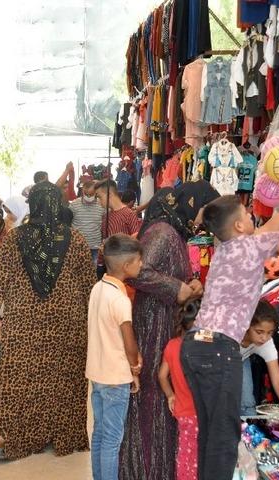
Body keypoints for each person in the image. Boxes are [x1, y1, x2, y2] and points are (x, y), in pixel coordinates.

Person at [181, 178, 279, 479]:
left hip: (195, 345)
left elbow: (270, 228)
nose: (252, 217)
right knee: (223, 437)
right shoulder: (251, 247)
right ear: (237, 227)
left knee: (211, 431)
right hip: (219, 350)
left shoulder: (227, 247)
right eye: (247, 215)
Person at [0, 181, 96, 461]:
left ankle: (20, 437)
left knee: (23, 380)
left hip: (23, 321)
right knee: (63, 380)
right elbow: (89, 286)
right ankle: (63, 436)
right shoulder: (76, 239)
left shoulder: (14, 237)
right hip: (68, 323)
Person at [119, 181, 216, 480]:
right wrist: (178, 289)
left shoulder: (171, 231)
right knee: (152, 396)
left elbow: (164, 271)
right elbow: (136, 272)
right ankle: (146, 468)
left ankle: (159, 465)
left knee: (160, 399)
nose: (202, 220)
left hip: (162, 319)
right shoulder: (163, 232)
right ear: (191, 203)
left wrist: (191, 285)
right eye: (203, 211)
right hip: (152, 323)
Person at [86, 234, 143, 480]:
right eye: (139, 261)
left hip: (97, 374)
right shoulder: (120, 299)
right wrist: (135, 365)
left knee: (99, 434)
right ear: (127, 266)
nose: (142, 265)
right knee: (112, 439)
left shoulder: (98, 288)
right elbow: (128, 339)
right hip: (116, 376)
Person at [241, 300, 279, 419]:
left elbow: (278, 381)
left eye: (270, 333)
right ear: (247, 326)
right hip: (216, 361)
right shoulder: (232, 335)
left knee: (247, 404)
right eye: (259, 332)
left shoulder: (266, 343)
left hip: (240, 360)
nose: (264, 338)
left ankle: (249, 432)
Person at [158, 307, 198, 480]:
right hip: (200, 411)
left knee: (185, 452)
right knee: (197, 456)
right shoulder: (201, 348)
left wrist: (170, 396)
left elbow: (161, 375)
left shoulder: (172, 345)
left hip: (182, 411)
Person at [69, 178, 105, 264]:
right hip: (78, 246)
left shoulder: (102, 204)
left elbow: (105, 223)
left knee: (94, 272)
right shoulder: (74, 205)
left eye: (91, 194)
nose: (88, 197)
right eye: (86, 194)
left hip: (95, 246)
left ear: (96, 193)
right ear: (82, 191)